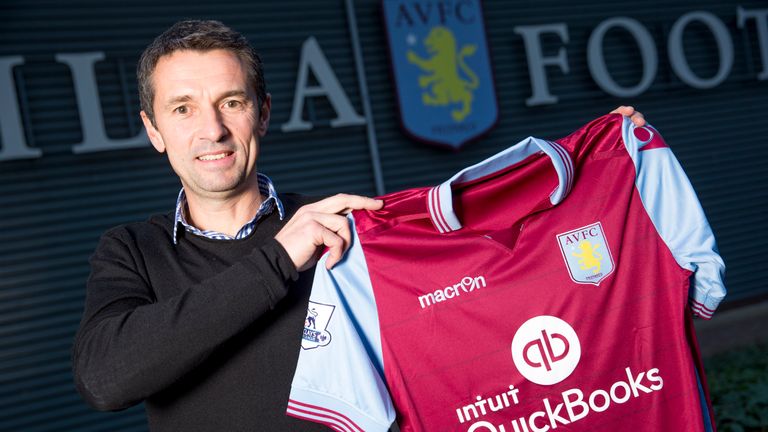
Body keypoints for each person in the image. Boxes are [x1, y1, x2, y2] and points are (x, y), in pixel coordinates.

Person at [72, 20, 647, 431]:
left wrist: (607, 172)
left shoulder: (343, 225)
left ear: (263, 113)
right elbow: (106, 380)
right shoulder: (132, 251)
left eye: (231, 102)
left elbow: (489, 280)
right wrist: (277, 259)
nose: (212, 130)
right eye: (183, 109)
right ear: (153, 131)